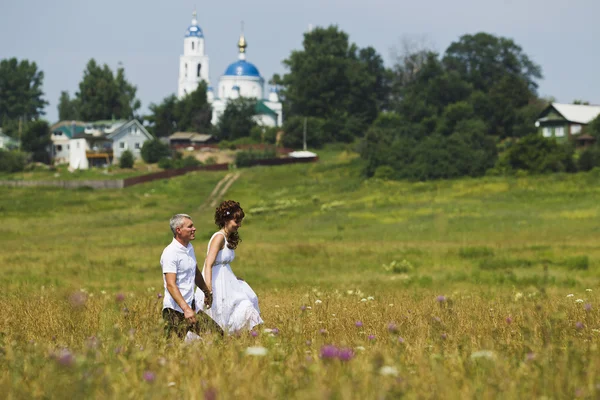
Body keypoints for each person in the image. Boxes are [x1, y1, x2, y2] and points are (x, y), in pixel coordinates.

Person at [194, 200, 263, 334]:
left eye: (240, 221)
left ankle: (246, 337)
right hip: (216, 284)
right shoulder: (219, 237)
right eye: (236, 221)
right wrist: (207, 288)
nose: (239, 225)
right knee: (220, 314)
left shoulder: (227, 238)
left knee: (248, 302)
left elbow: (223, 265)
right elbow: (208, 263)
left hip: (228, 282)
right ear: (226, 220)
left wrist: (234, 278)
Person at [161, 213, 223, 338]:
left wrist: (207, 292)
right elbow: (170, 284)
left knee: (218, 336)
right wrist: (186, 310)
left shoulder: (189, 248)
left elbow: (195, 272)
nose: (194, 229)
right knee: (171, 351)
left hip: (191, 307)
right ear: (178, 230)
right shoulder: (170, 253)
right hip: (175, 311)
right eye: (190, 227)